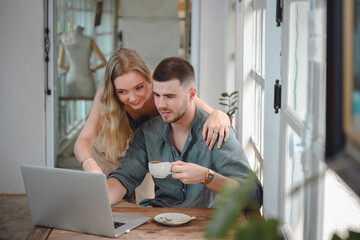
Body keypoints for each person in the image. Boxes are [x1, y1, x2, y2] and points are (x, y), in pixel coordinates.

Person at [74, 48, 231, 202]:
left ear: (149, 79)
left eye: (139, 87)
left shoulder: (161, 87)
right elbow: (83, 140)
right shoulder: (105, 95)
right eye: (122, 92)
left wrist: (219, 114)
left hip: (143, 153)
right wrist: (90, 165)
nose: (133, 97)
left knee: (144, 199)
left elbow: (207, 112)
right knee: (111, 202)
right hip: (111, 152)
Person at [107, 57, 263, 208]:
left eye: (170, 97)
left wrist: (207, 177)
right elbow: (124, 178)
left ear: (191, 94)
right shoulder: (148, 133)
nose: (161, 105)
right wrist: (99, 200)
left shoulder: (217, 131)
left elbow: (253, 196)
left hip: (204, 227)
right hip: (158, 223)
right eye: (157, 95)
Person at [58, 26, 107, 99]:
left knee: (71, 106)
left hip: (72, 79)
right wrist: (94, 69)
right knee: (91, 107)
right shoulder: (89, 40)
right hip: (87, 78)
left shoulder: (67, 38)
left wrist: (69, 67)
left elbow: (60, 64)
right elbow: (104, 62)